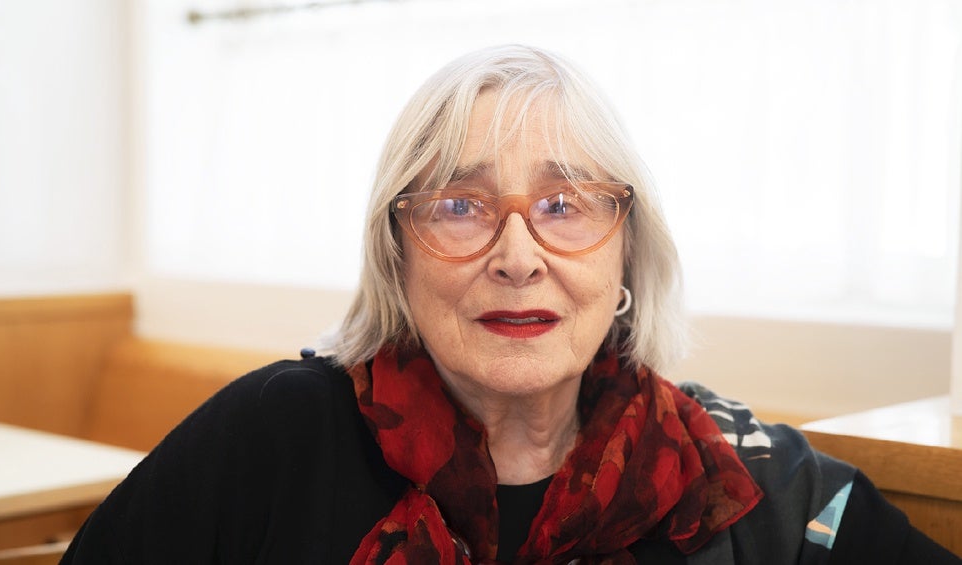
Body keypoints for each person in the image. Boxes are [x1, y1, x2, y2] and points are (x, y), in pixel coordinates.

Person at [60, 45, 960, 564]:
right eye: (460, 206)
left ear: (626, 249)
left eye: (564, 205)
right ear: (395, 250)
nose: (518, 257)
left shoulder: (749, 479)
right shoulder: (272, 435)